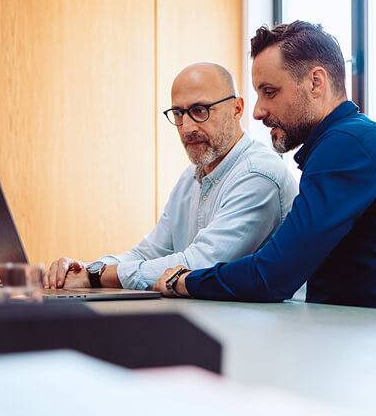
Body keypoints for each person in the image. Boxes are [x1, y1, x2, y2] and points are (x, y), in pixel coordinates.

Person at [155, 21, 376, 313]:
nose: (258, 111)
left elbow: (273, 275)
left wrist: (184, 281)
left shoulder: (347, 147)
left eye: (269, 92)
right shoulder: (345, 143)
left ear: (315, 82)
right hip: (374, 335)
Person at [43, 62, 298, 290]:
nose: (186, 128)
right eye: (178, 114)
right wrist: (81, 270)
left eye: (200, 110)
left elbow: (197, 266)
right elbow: (148, 253)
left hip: (259, 333)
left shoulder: (258, 175)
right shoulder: (191, 177)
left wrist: (96, 277)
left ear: (236, 109)